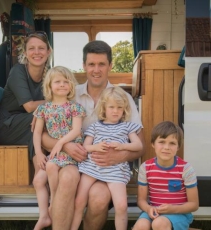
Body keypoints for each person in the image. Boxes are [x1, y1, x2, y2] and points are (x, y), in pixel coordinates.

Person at [40, 40, 144, 230]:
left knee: (99, 197)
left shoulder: (122, 98)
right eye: (91, 64)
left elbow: (139, 145)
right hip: (72, 162)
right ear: (84, 66)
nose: (96, 70)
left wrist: (119, 156)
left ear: (110, 66)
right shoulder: (70, 94)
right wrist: (65, 146)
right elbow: (44, 137)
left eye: (101, 64)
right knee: (68, 178)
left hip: (106, 168)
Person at [71, 86, 143, 230]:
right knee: (79, 202)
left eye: (119, 107)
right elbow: (85, 147)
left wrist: (122, 146)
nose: (115, 111)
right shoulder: (95, 127)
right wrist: (96, 147)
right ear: (104, 108)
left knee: (121, 205)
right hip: (92, 167)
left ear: (124, 109)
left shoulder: (127, 127)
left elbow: (138, 146)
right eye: (111, 107)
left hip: (115, 171)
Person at [32, 66, 86, 230]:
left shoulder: (74, 107)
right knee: (39, 178)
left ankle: (53, 204)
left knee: (50, 166)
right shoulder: (43, 109)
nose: (62, 85)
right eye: (57, 82)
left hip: (70, 154)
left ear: (71, 86)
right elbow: (37, 133)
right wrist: (39, 153)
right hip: (55, 154)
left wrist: (60, 143)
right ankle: (46, 213)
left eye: (66, 82)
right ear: (49, 86)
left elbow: (76, 130)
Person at [0, 31, 51, 159]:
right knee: (41, 121)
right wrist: (54, 104)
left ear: (48, 52)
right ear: (25, 52)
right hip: (6, 127)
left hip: (33, 123)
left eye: (41, 48)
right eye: (31, 48)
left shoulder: (51, 74)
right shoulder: (18, 71)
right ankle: (68, 149)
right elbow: (29, 107)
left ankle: (39, 176)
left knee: (40, 128)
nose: (37, 52)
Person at [132, 121, 199, 230]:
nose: (166, 147)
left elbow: (194, 204)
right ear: (153, 144)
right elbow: (141, 200)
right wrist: (149, 208)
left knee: (159, 224)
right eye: (162, 142)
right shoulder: (145, 168)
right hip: (153, 211)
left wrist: (172, 209)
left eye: (172, 143)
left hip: (179, 214)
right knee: (141, 226)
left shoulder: (186, 169)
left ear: (178, 147)